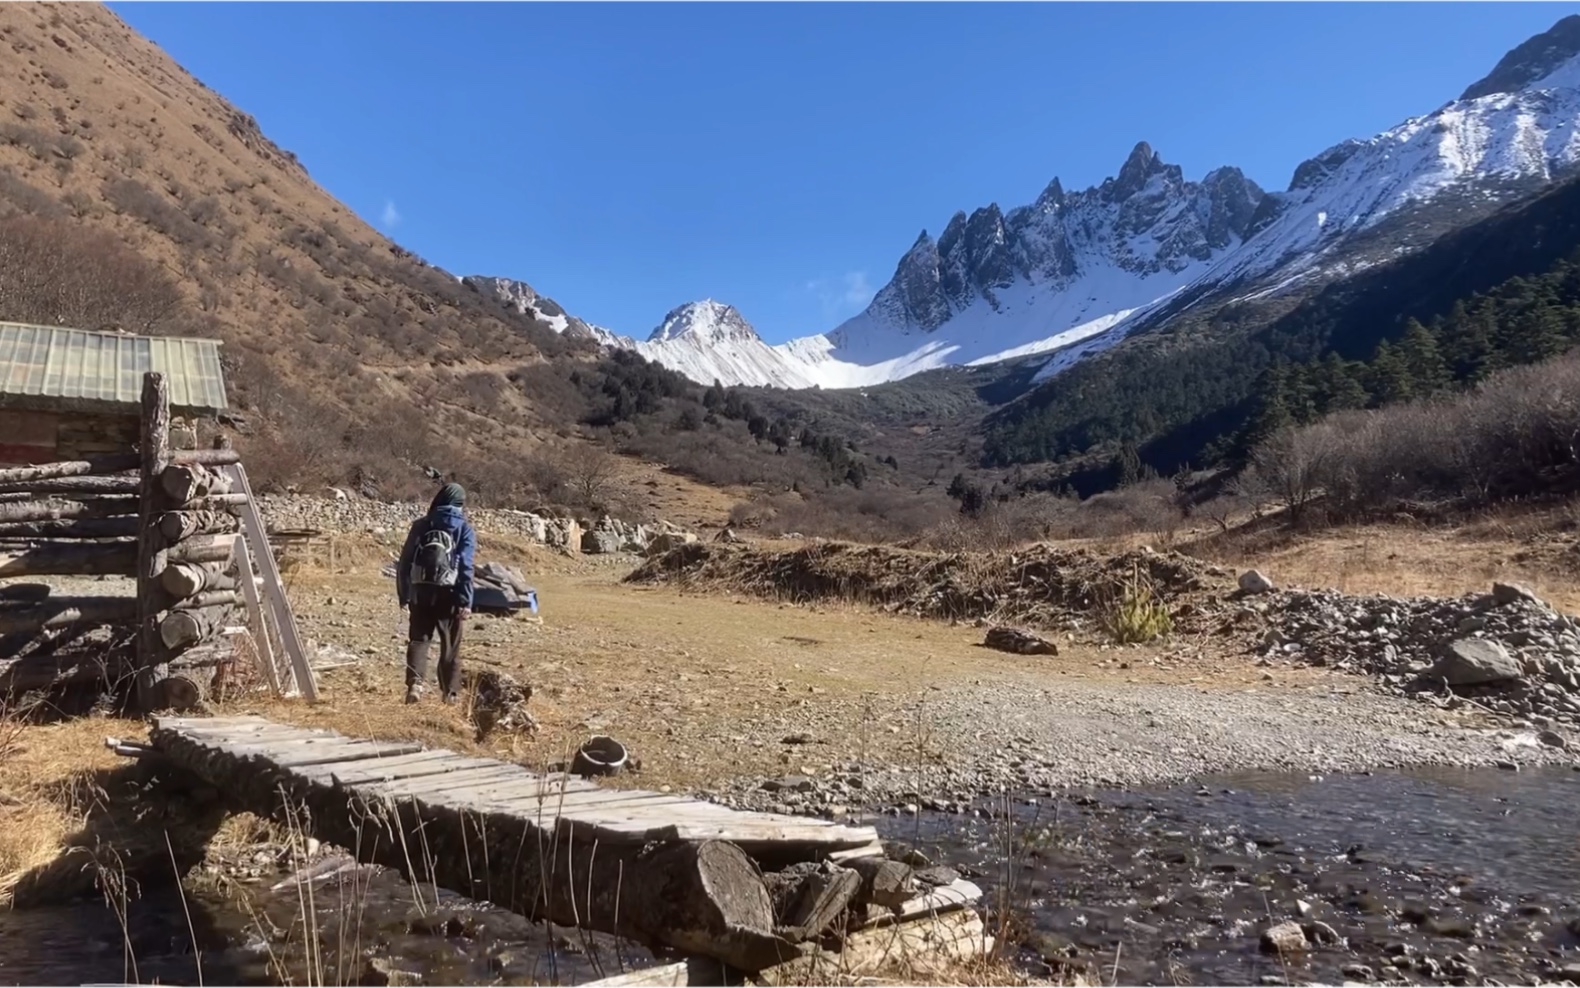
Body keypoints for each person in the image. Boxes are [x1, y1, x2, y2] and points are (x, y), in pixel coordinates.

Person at [397, 482, 476, 704]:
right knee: (450, 644)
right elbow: (466, 567)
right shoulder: (464, 529)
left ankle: (415, 684)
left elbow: (405, 561)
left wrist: (404, 593)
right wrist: (465, 601)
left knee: (419, 639)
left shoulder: (421, 525)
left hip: (421, 590)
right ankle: (450, 693)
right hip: (450, 593)